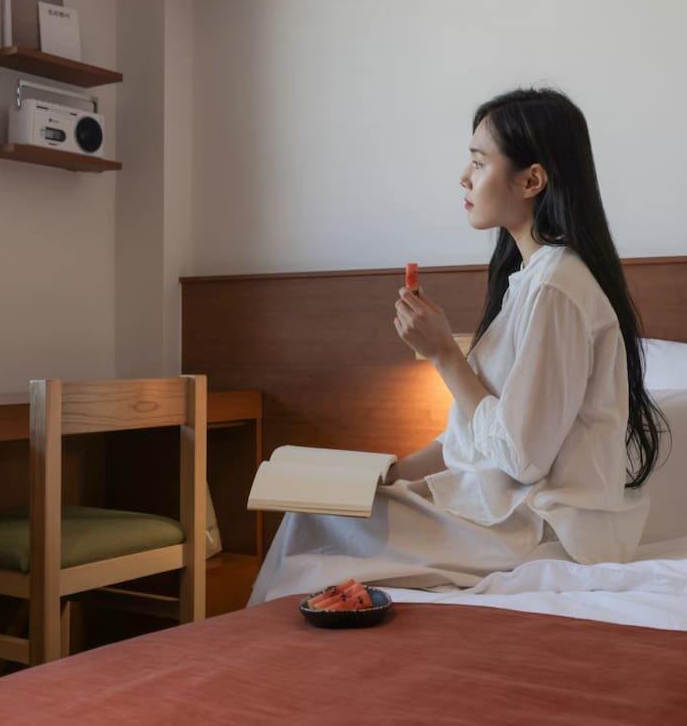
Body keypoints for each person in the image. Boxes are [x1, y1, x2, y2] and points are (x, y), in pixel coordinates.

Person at [248, 87, 664, 605]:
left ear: (531, 180)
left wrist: (444, 355)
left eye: (478, 162)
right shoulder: (531, 281)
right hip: (501, 510)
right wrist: (387, 475)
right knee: (320, 505)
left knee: (314, 524)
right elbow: (469, 440)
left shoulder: (557, 288)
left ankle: (262, 662)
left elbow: (519, 457)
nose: (464, 178)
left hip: (542, 526)